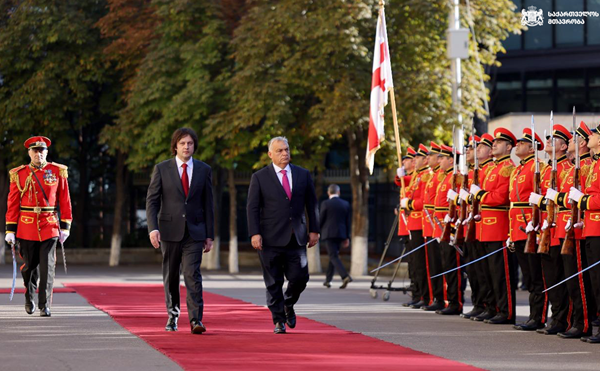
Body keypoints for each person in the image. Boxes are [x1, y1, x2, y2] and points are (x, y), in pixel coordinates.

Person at [247, 136, 319, 334]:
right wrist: (255, 233)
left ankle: (288, 303)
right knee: (274, 281)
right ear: (270, 155)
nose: (285, 153)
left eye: (286, 149)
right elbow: (252, 208)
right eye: (279, 151)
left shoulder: (302, 175)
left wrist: (314, 230)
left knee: (300, 277)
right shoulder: (260, 177)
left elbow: (311, 204)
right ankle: (278, 320)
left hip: (297, 236)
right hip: (269, 238)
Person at [146, 127, 214, 334]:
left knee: (192, 274)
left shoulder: (204, 170)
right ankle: (172, 315)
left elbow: (208, 204)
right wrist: (153, 228)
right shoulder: (162, 169)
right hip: (168, 230)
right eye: (183, 143)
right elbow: (152, 201)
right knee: (172, 275)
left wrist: (210, 234)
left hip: (195, 232)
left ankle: (196, 320)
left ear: (194, 146)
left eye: (190, 143)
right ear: (175, 146)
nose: (187, 146)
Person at [5, 136, 72, 317]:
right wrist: (10, 229)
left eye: (42, 151)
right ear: (29, 153)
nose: (38, 154)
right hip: (26, 226)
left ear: (46, 153)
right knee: (29, 267)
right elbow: (12, 203)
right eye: (35, 151)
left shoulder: (58, 171)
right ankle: (29, 296)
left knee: (47, 267)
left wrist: (65, 226)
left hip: (49, 224)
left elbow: (65, 200)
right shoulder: (19, 173)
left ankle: (44, 305)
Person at [467, 129, 516, 324]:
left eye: (499, 142)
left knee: (500, 272)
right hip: (484, 226)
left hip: (498, 225)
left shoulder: (507, 168)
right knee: (487, 272)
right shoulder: (494, 168)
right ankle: (492, 306)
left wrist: (479, 195)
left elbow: (500, 197)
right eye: (493, 142)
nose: (494, 144)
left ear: (509, 147)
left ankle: (506, 311)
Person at [528, 125, 572, 335]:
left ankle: (562, 320)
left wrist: (544, 202)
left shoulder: (566, 169)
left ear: (564, 146)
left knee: (559, 276)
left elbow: (563, 202)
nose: (547, 141)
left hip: (558, 228)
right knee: (550, 276)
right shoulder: (545, 169)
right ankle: (555, 318)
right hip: (546, 228)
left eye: (553, 139)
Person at [508, 128, 548, 331]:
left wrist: (539, 224)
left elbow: (541, 198)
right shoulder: (518, 170)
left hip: (531, 223)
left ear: (531, 148)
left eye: (521, 143)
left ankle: (538, 316)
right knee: (528, 274)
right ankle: (533, 315)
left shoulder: (537, 167)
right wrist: (510, 232)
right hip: (518, 225)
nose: (517, 145)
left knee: (536, 274)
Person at [400, 144, 431, 309]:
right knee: (415, 263)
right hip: (413, 223)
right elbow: (402, 184)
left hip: (420, 223)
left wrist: (409, 204)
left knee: (421, 263)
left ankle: (424, 296)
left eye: (417, 158)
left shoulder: (425, 176)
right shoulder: (418, 176)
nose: (414, 161)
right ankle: (419, 294)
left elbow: (424, 201)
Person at [320, 184, 352, 289]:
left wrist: (316, 231)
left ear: (328, 193)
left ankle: (345, 276)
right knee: (333, 256)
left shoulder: (325, 203)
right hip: (341, 234)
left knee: (333, 256)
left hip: (328, 234)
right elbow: (348, 222)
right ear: (338, 192)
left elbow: (321, 219)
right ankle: (328, 280)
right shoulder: (345, 204)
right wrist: (347, 237)